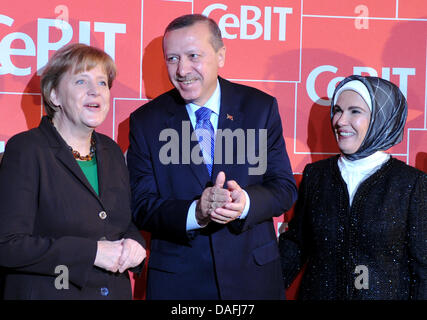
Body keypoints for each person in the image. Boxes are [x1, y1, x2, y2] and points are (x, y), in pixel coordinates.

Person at [127, 14, 297, 300]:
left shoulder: (260, 108)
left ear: (221, 55)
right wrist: (196, 212)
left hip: (253, 280)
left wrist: (245, 204)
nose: (182, 70)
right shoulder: (146, 122)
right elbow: (141, 205)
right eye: (172, 59)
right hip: (179, 284)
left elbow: (283, 188)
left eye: (194, 56)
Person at [0, 43, 146, 299]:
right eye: (81, 82)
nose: (95, 91)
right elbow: (8, 245)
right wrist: (92, 253)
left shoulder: (111, 150)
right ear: (54, 96)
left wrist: (135, 243)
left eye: (102, 83)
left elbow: (120, 223)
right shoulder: (27, 149)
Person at [279, 74, 427, 300]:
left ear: (381, 117)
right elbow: (297, 245)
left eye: (354, 111)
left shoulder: (411, 183)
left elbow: (422, 269)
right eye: (337, 110)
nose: (340, 120)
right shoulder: (316, 175)